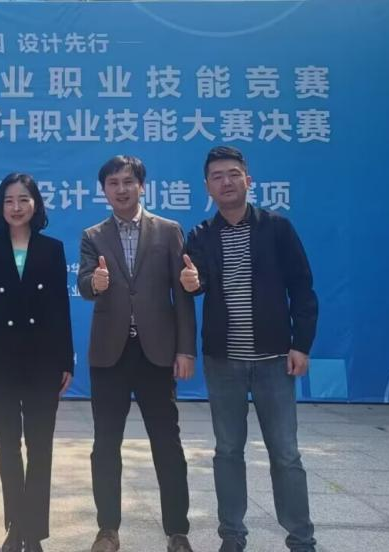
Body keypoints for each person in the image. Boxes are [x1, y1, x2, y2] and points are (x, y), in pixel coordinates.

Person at [181, 146, 318, 552]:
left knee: (286, 453)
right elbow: (198, 282)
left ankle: (301, 539)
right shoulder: (201, 235)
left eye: (233, 174)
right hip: (223, 361)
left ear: (248, 180)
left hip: (274, 359)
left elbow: (302, 288)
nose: (226, 182)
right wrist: (192, 283)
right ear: (207, 186)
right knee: (227, 451)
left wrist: (301, 345)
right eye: (217, 176)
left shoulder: (277, 228)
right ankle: (232, 536)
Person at [78, 156, 197, 552]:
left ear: (142, 186)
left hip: (156, 353)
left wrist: (185, 350)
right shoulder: (93, 235)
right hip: (109, 355)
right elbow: (84, 284)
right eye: (113, 183)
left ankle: (177, 530)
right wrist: (94, 283)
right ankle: (107, 530)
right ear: (104, 190)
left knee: (167, 443)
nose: (121, 189)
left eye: (128, 182)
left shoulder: (168, 231)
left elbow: (182, 295)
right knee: (105, 445)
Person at [0, 172, 74, 552]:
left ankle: (34, 532)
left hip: (43, 362)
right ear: (0, 207)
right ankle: (15, 527)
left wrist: (65, 360)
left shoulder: (52, 248)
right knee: (7, 447)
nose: (16, 207)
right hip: (1, 362)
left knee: (40, 448)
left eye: (24, 199)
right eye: (9, 200)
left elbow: (60, 307)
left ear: (35, 205)